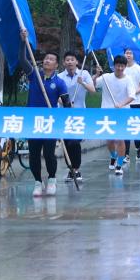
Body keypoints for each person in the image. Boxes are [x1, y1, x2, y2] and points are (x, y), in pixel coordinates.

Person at [26, 52, 70, 196]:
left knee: (49, 153)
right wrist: (23, 43)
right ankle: (38, 182)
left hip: (50, 123)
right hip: (33, 122)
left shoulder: (59, 83)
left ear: (56, 65)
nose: (47, 61)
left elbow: (67, 104)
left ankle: (52, 179)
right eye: (46, 58)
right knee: (34, 154)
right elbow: (22, 60)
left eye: (51, 59)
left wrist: (64, 121)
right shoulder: (34, 75)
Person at [54, 57, 96, 187]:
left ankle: (76, 169)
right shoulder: (60, 77)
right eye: (67, 60)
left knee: (74, 142)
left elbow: (93, 90)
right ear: (64, 63)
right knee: (66, 144)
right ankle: (70, 169)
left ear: (76, 62)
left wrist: (82, 83)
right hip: (64, 115)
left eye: (72, 60)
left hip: (79, 115)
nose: (70, 62)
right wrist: (65, 103)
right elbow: (56, 95)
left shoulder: (84, 74)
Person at [98, 56, 138, 175]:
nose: (120, 68)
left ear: (125, 67)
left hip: (122, 112)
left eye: (122, 66)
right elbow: (93, 85)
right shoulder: (106, 77)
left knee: (120, 138)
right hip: (107, 113)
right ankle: (113, 156)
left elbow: (132, 96)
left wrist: (122, 104)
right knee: (110, 140)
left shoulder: (128, 80)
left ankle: (119, 164)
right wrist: (96, 74)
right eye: (118, 66)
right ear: (114, 66)